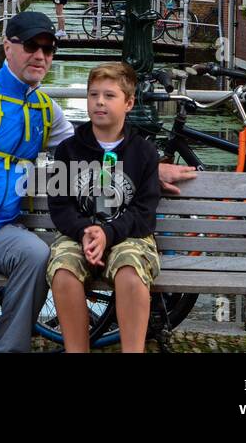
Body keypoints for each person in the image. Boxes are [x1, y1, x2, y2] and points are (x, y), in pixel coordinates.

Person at [0, 11, 194, 353]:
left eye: (48, 49)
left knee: (38, 255)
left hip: (0, 230)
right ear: (7, 48)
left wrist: (151, 168)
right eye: (31, 46)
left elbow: (90, 151)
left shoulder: (43, 108)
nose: (40, 56)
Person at [47, 62, 161, 353]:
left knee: (130, 273)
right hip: (78, 235)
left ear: (129, 103)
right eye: (93, 94)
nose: (99, 102)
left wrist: (108, 234)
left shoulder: (144, 152)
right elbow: (60, 207)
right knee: (63, 272)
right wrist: (86, 231)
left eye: (109, 96)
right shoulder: (68, 150)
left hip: (129, 236)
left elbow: (143, 213)